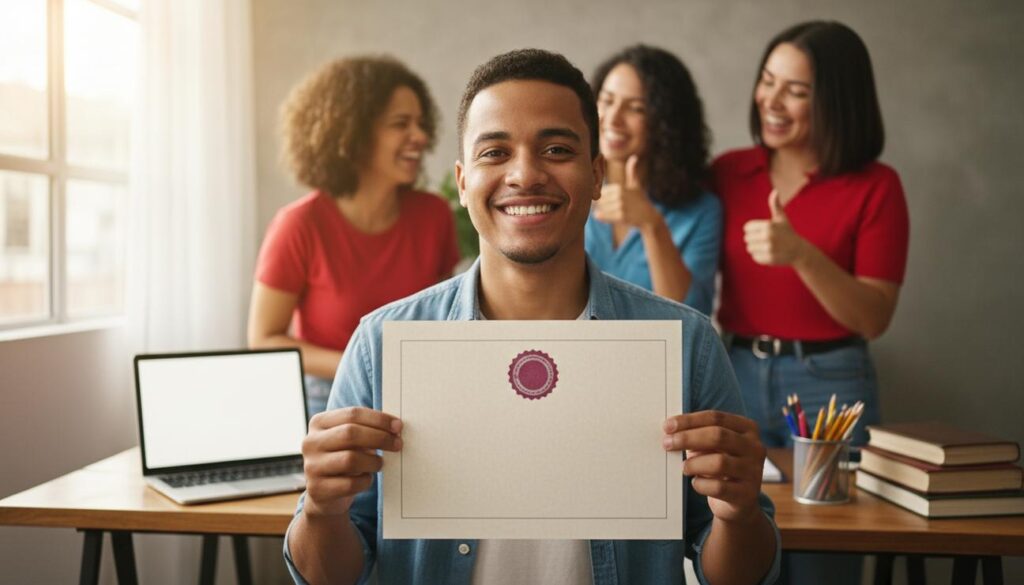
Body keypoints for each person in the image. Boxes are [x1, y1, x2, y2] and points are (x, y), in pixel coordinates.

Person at [284, 49, 780, 585]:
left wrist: (739, 514)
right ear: (463, 179)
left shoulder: (687, 345)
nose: (525, 174)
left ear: (596, 176)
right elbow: (325, 576)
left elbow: (743, 575)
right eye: (495, 151)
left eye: (557, 148)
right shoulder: (382, 344)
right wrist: (320, 510)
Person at [712, 21, 910, 585]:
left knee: (828, 556)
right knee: (741, 545)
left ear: (837, 101)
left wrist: (801, 253)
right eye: (767, 82)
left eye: (795, 91)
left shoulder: (877, 186)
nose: (771, 101)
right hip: (737, 372)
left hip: (832, 382)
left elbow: (874, 316)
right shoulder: (729, 171)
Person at [248, 57, 460, 416]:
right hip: (327, 398)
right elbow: (264, 339)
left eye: (422, 124)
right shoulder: (299, 225)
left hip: (417, 393)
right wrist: (362, 366)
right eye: (400, 124)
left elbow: (444, 317)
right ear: (353, 134)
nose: (421, 137)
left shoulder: (433, 214)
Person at [585, 45, 721, 314]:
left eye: (636, 108)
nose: (613, 118)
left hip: (663, 354)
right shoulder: (572, 189)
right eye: (607, 101)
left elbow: (686, 319)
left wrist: (651, 225)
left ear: (666, 122)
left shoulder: (700, 212)